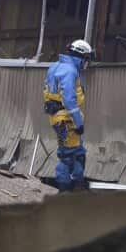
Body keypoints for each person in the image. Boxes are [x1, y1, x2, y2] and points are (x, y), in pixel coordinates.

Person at [43, 39, 93, 191]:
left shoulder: (55, 67)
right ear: (81, 56)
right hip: (67, 119)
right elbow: (70, 100)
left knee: (74, 152)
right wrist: (79, 123)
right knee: (71, 155)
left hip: (57, 117)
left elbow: (48, 91)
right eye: (86, 59)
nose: (86, 63)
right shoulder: (70, 71)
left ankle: (75, 184)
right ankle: (66, 188)